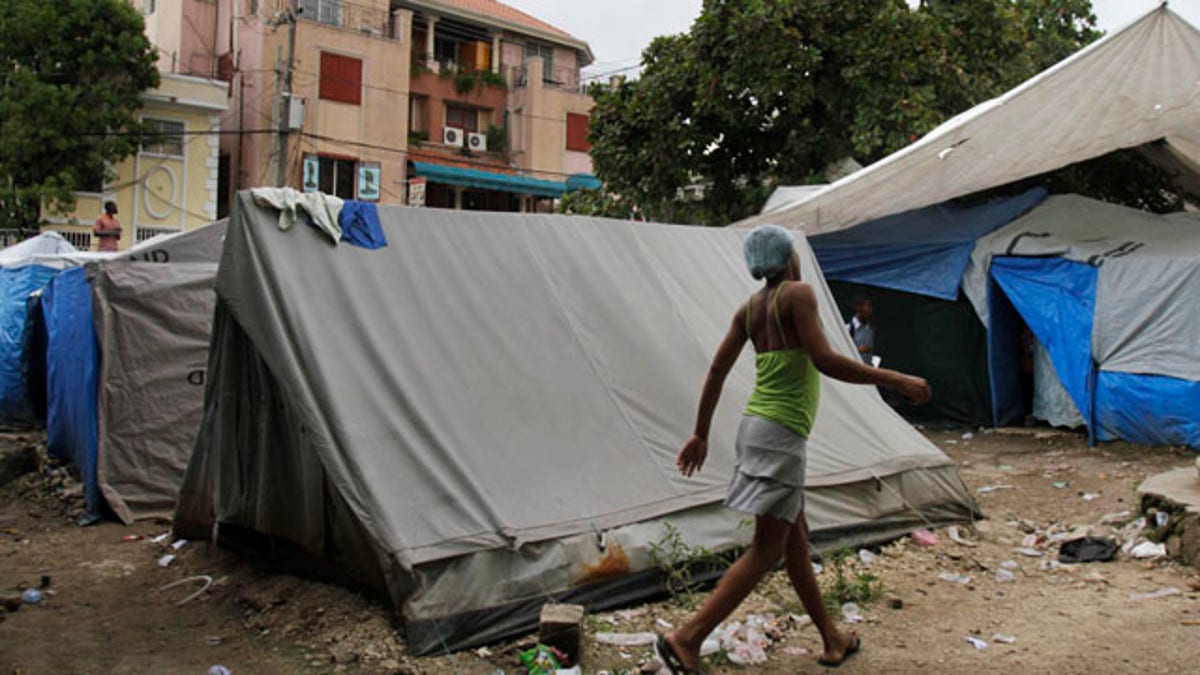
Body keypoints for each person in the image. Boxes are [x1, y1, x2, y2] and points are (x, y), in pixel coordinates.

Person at [658, 225, 931, 673]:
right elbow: (823, 359)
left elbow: (716, 370)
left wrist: (701, 433)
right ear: (788, 259)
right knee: (766, 549)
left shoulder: (749, 309)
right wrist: (896, 379)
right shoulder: (798, 294)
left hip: (756, 428)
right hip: (781, 435)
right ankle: (687, 639)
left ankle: (832, 638)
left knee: (794, 541)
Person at [847, 295, 875, 365]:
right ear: (858, 307)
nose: (869, 310)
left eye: (871, 307)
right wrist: (858, 350)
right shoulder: (848, 328)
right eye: (867, 306)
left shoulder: (870, 329)